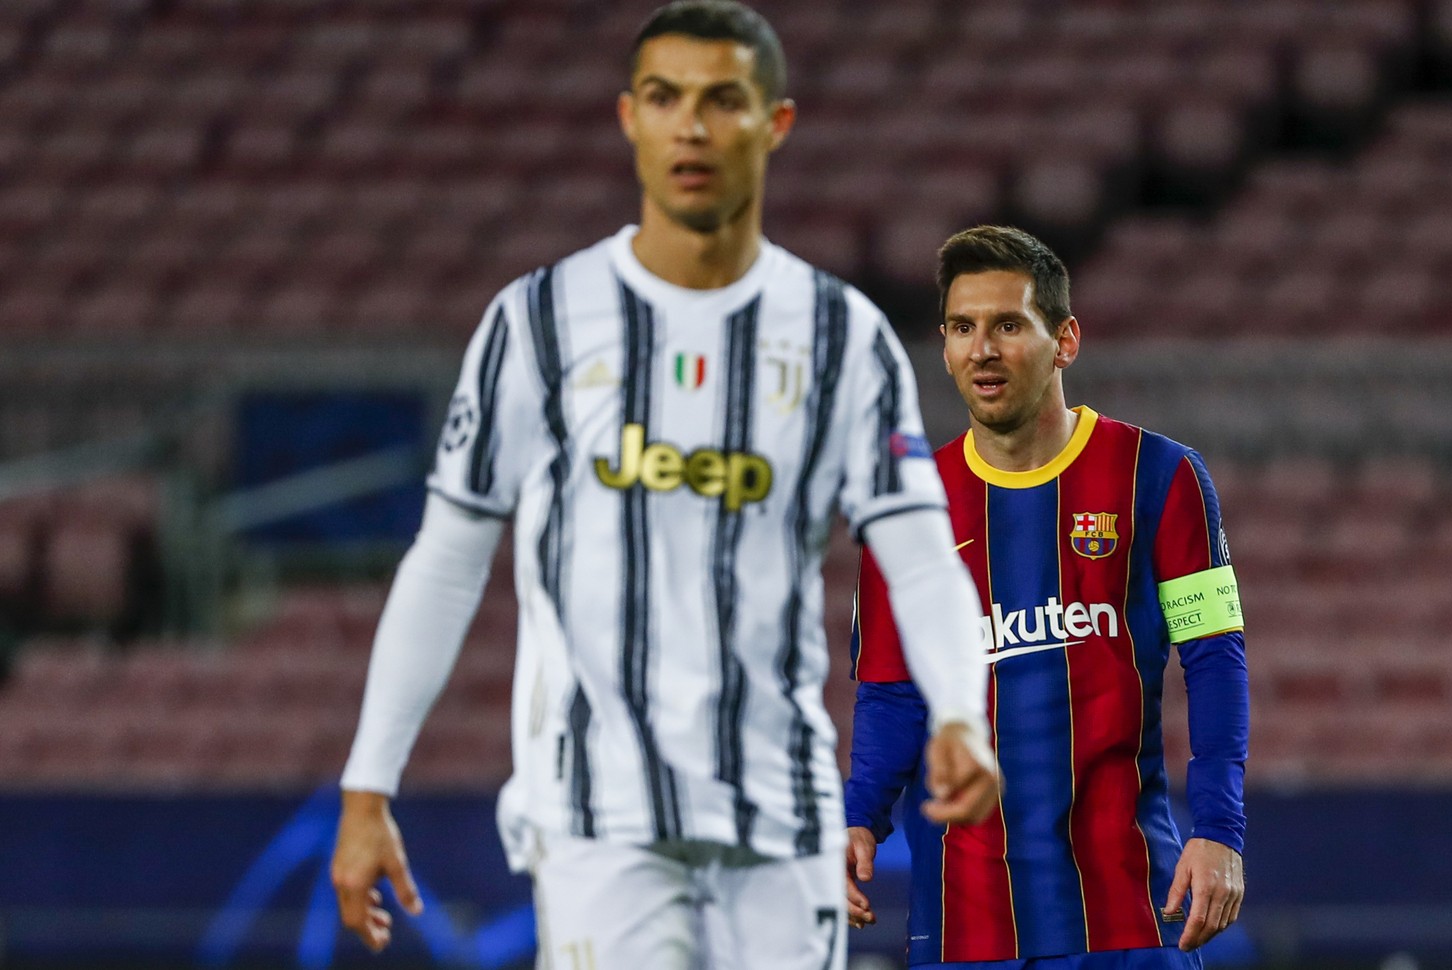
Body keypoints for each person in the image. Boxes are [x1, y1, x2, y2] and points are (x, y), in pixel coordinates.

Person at [329, 4, 999, 968]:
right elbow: (446, 559)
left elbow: (923, 558)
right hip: (598, 816)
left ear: (775, 125)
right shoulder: (540, 324)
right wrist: (368, 785)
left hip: (781, 810)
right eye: (665, 98)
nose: (691, 126)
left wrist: (961, 715)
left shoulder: (839, 338)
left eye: (723, 100)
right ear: (628, 120)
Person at [843, 225, 1249, 969]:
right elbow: (893, 692)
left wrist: (1220, 829)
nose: (982, 349)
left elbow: (1215, 660)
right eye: (963, 328)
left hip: (1127, 910)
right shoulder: (906, 508)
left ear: (1064, 340)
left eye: (1007, 325)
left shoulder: (1159, 476)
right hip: (966, 926)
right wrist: (858, 819)